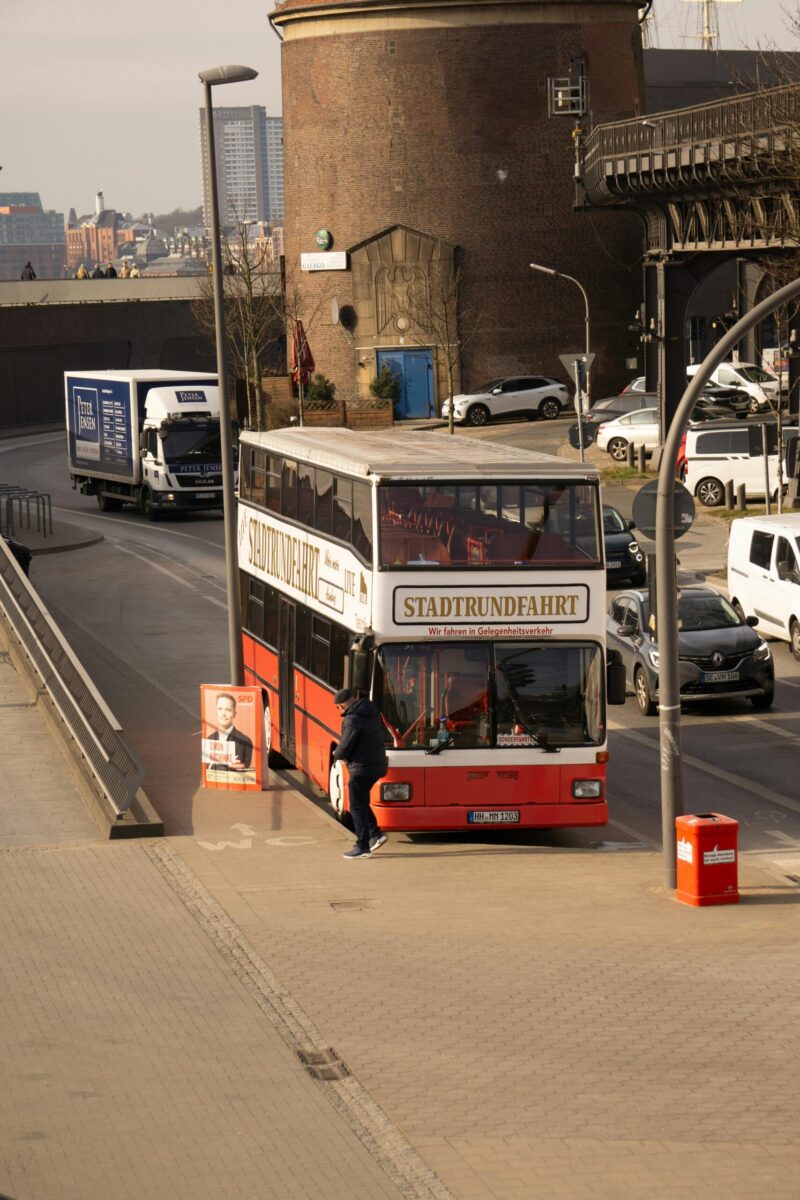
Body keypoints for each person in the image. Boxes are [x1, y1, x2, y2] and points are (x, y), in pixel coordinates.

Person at [333, 687, 388, 859]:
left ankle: (362, 846)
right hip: (376, 765)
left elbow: (346, 745)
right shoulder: (369, 710)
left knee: (356, 806)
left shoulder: (352, 719)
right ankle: (375, 834)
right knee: (362, 802)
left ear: (342, 705)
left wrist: (336, 754)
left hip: (362, 768)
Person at [207, 692, 253, 771]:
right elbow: (206, 767)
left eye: (228, 710)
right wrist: (227, 764)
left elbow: (246, 768)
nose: (223, 713)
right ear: (216, 712)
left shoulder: (245, 741)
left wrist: (238, 766)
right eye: (220, 709)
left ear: (234, 714)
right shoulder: (209, 740)